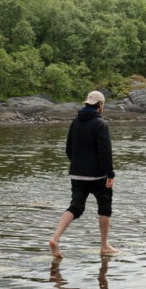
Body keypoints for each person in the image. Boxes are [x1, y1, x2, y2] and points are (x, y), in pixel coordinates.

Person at [48, 90, 119, 259]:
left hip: (77, 174)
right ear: (100, 105)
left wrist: (77, 165)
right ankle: (104, 246)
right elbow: (105, 152)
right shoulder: (100, 125)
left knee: (75, 207)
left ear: (87, 103)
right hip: (98, 175)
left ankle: (56, 238)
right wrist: (110, 174)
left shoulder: (75, 123)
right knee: (105, 207)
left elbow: (68, 150)